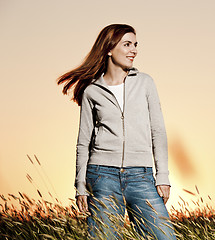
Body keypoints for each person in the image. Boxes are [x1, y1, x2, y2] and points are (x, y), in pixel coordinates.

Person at [57, 24, 176, 239]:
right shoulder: (92, 91)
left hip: (142, 176)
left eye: (135, 45)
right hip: (102, 176)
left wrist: (163, 176)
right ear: (109, 49)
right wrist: (81, 186)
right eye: (127, 44)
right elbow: (83, 142)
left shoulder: (145, 83)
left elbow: (158, 131)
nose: (134, 50)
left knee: (164, 236)